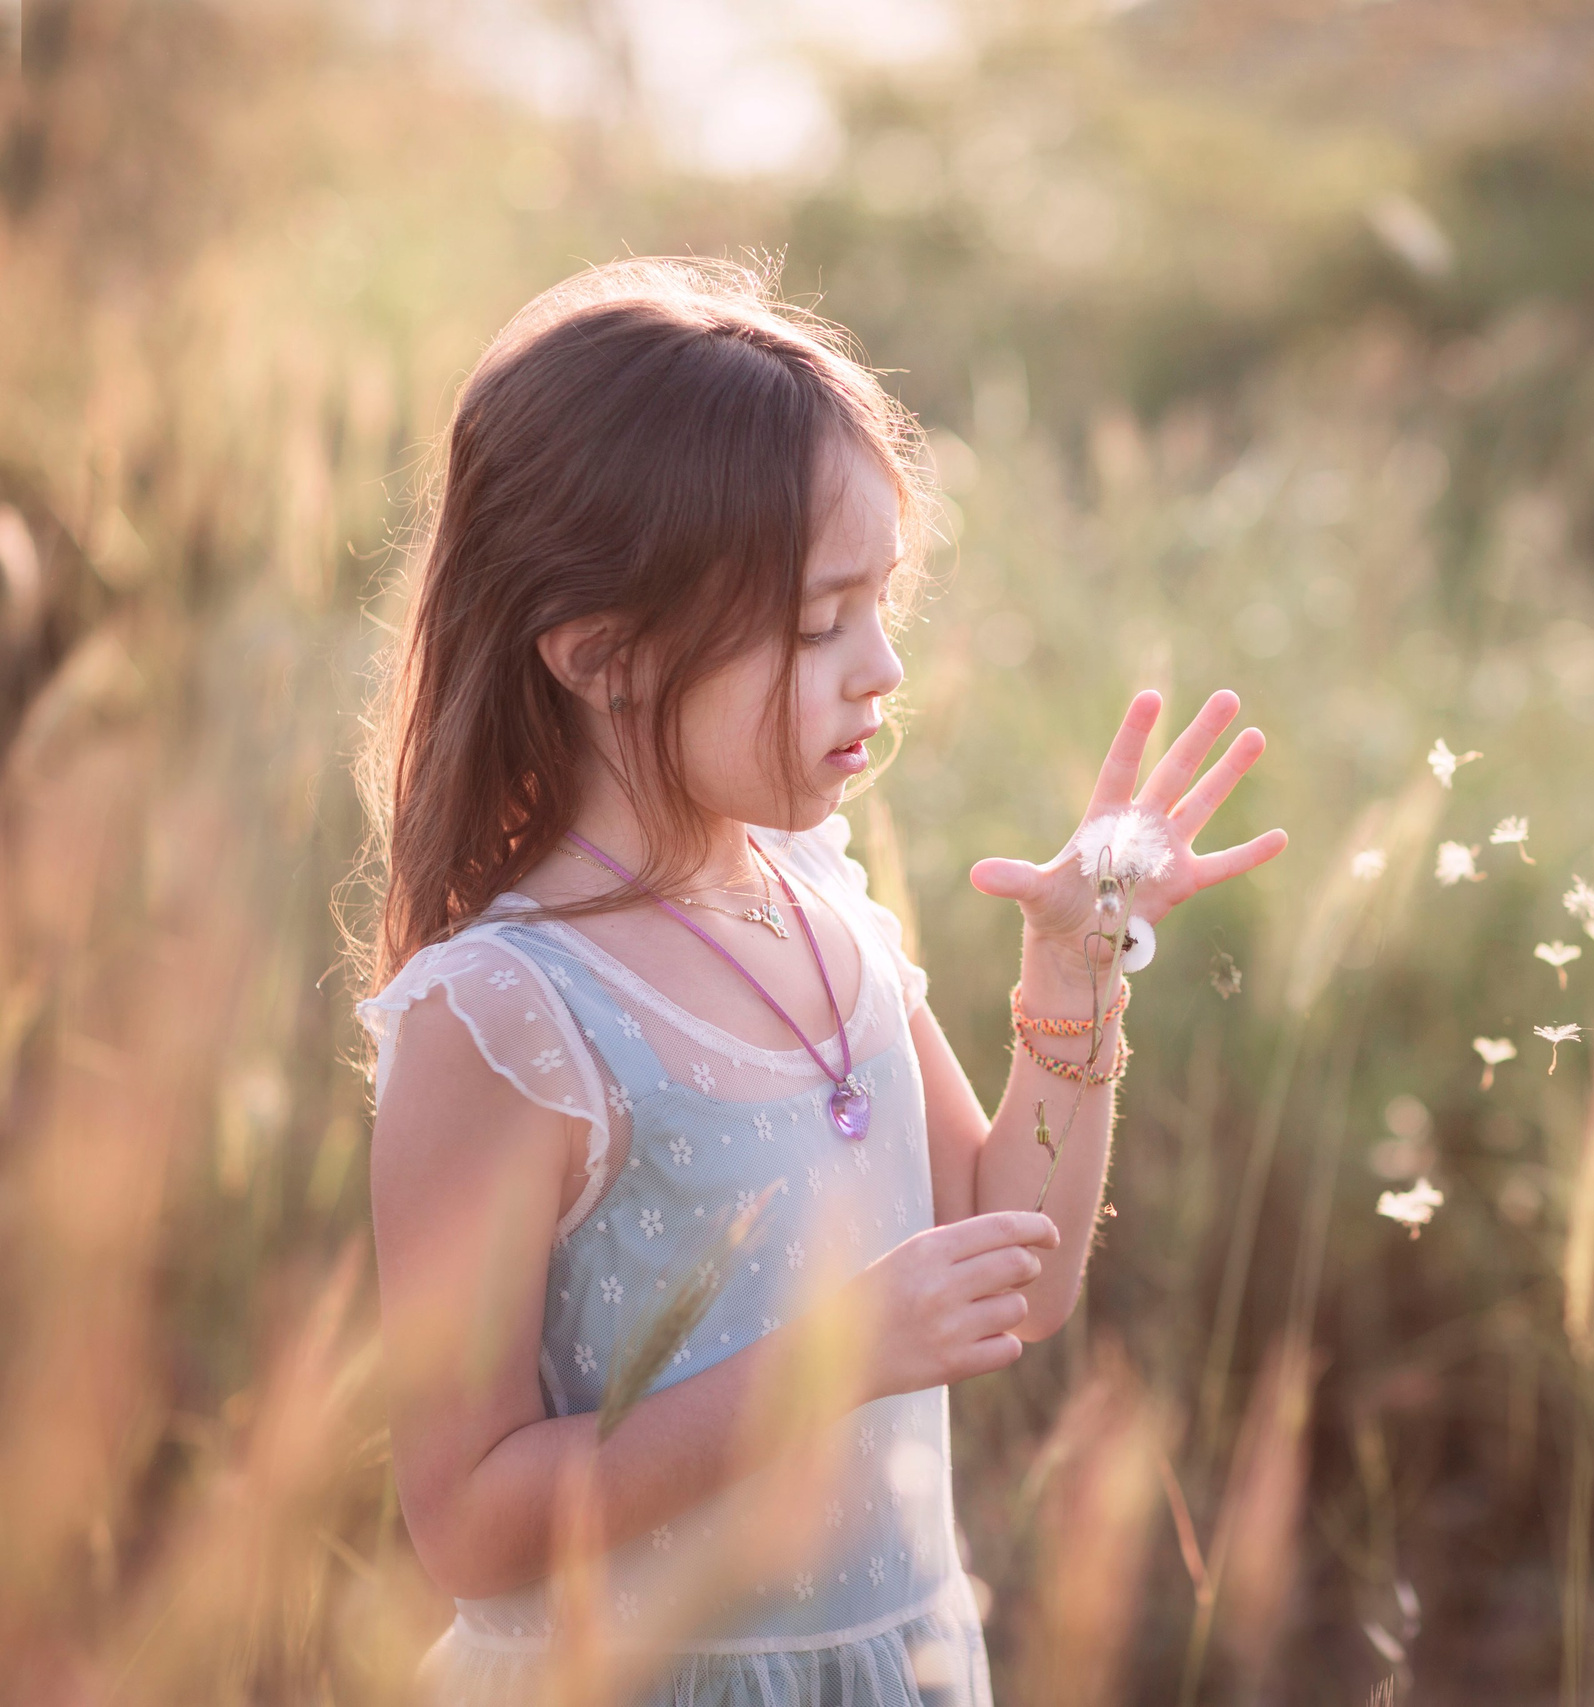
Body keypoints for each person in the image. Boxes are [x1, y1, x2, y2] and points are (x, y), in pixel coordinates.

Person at [354, 256, 1285, 1705]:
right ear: (599, 651)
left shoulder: (822, 910)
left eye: (882, 603)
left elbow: (1011, 1276)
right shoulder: (507, 1020)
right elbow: (469, 1526)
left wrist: (1077, 961)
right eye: (813, 625)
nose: (885, 667)